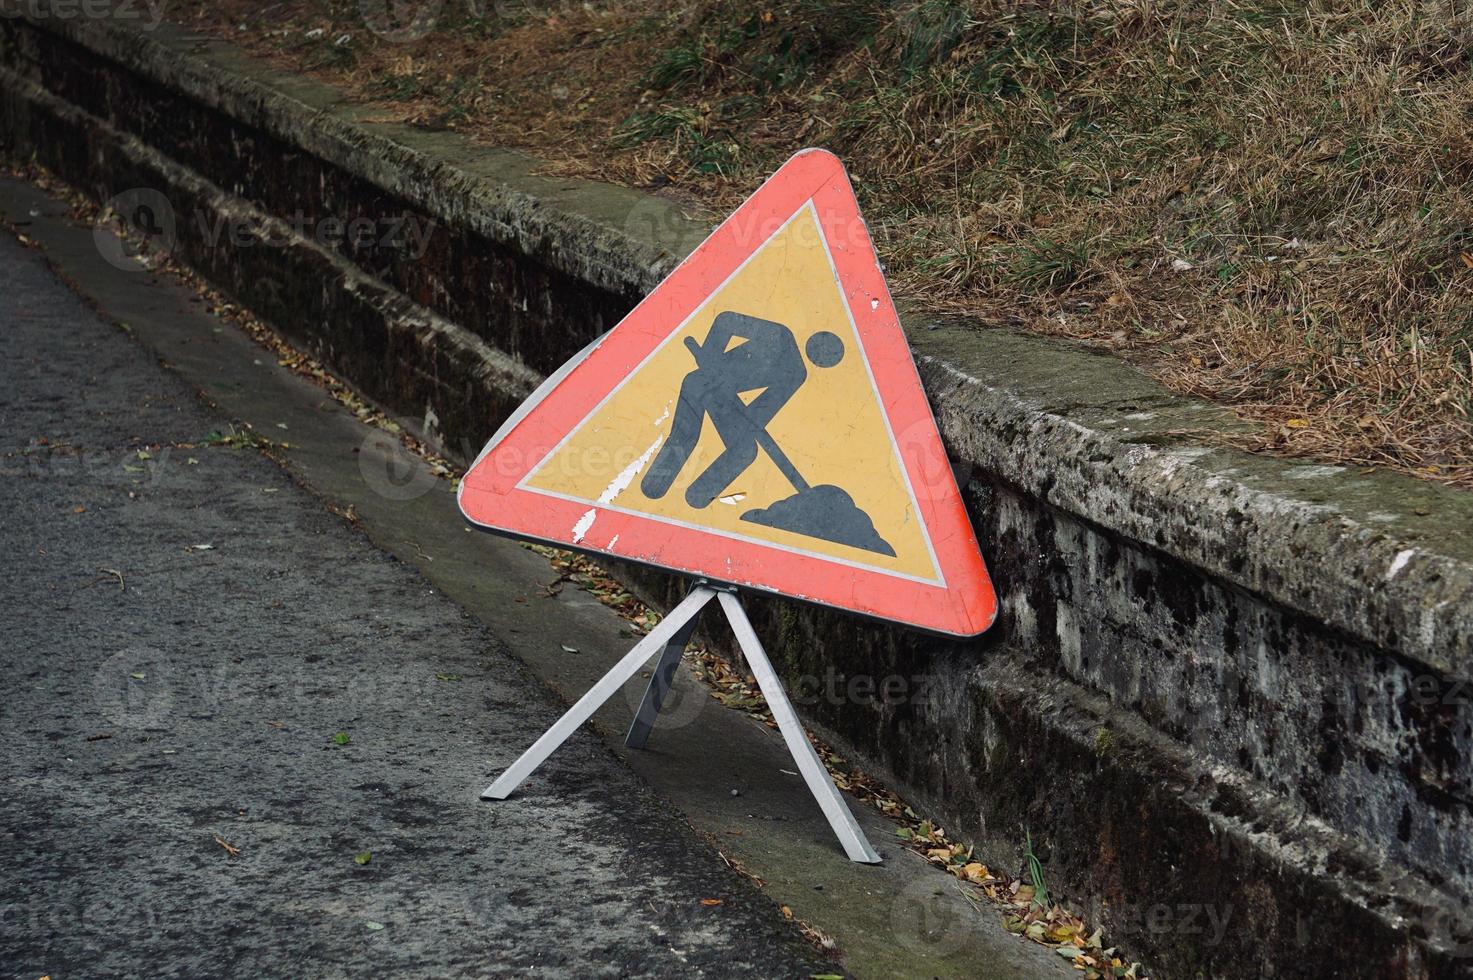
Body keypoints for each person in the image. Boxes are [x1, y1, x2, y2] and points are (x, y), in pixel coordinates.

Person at [641, 311, 844, 509]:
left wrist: (742, 418)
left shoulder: (797, 372)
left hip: (721, 391)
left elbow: (765, 406)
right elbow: (726, 321)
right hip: (709, 377)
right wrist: (712, 357)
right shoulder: (780, 335)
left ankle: (697, 496)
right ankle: (657, 482)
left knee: (744, 449)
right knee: (693, 395)